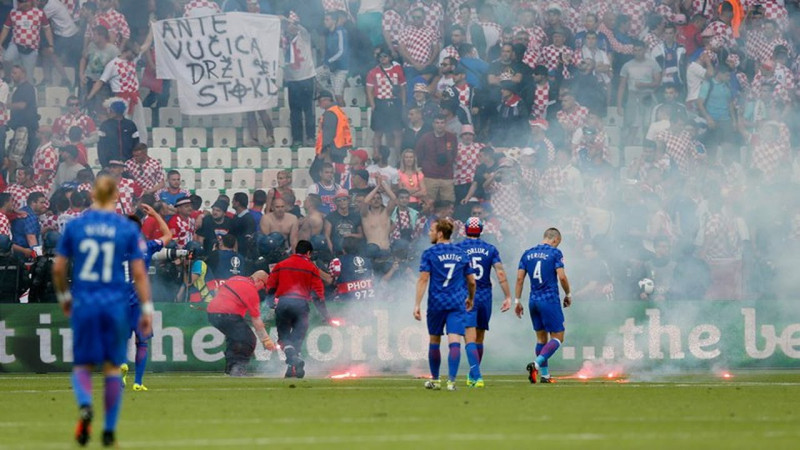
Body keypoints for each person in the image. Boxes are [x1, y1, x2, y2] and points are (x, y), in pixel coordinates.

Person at [52, 175, 153, 447]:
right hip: (116, 303)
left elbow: (59, 268)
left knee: (83, 364)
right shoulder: (126, 228)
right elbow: (140, 274)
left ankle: (85, 405)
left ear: (93, 195)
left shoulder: (76, 226)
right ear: (115, 195)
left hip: (84, 301)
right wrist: (146, 308)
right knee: (111, 368)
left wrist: (64, 297)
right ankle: (109, 431)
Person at [414, 219, 476, 391]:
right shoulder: (462, 253)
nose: (429, 233)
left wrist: (417, 304)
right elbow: (471, 281)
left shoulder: (429, 253)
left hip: (436, 303)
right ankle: (451, 382)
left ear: (440, 233)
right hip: (456, 302)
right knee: (454, 340)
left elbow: (423, 279)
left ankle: (435, 380)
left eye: (432, 230)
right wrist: (471, 298)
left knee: (434, 340)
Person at [120, 203, 171, 392]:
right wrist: (155, 214)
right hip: (140, 303)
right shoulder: (146, 247)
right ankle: (138, 382)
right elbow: (168, 236)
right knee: (141, 343)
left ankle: (120, 369)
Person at [455, 217, 512, 384]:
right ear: (481, 231)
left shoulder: (458, 248)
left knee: (469, 337)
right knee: (480, 338)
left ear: (465, 230)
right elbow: (500, 274)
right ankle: (473, 375)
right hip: (486, 295)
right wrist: (508, 296)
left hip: (467, 295)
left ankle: (477, 375)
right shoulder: (490, 249)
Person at [266, 240, 333, 378]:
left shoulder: (281, 265)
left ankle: (292, 366)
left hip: (283, 303)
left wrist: (270, 303)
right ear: (309, 253)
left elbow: (271, 286)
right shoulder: (311, 268)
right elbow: (318, 295)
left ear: (295, 250)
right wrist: (326, 315)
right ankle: (294, 363)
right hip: (301, 306)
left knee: (284, 338)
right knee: (297, 338)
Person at [514, 228, 572, 384]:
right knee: (558, 336)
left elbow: (520, 279)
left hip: (533, 301)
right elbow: (562, 277)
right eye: (558, 243)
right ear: (554, 240)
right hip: (549, 300)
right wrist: (568, 294)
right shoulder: (555, 253)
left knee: (541, 338)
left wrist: (517, 301)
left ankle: (545, 376)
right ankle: (536, 364)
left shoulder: (527, 253)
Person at [206, 270, 275, 376]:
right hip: (228, 315)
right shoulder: (251, 291)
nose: (262, 288)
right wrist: (266, 340)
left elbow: (217, 291)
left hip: (212, 314)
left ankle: (231, 369)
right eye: (263, 285)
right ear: (259, 281)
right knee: (248, 339)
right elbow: (256, 320)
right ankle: (238, 368)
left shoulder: (234, 278)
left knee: (234, 338)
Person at [97, 98, 139, 168]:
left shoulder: (131, 125)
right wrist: (104, 164)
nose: (109, 112)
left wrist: (133, 162)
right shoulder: (105, 126)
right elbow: (101, 147)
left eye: (111, 111)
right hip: (110, 165)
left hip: (129, 164)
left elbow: (136, 144)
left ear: (116, 112)